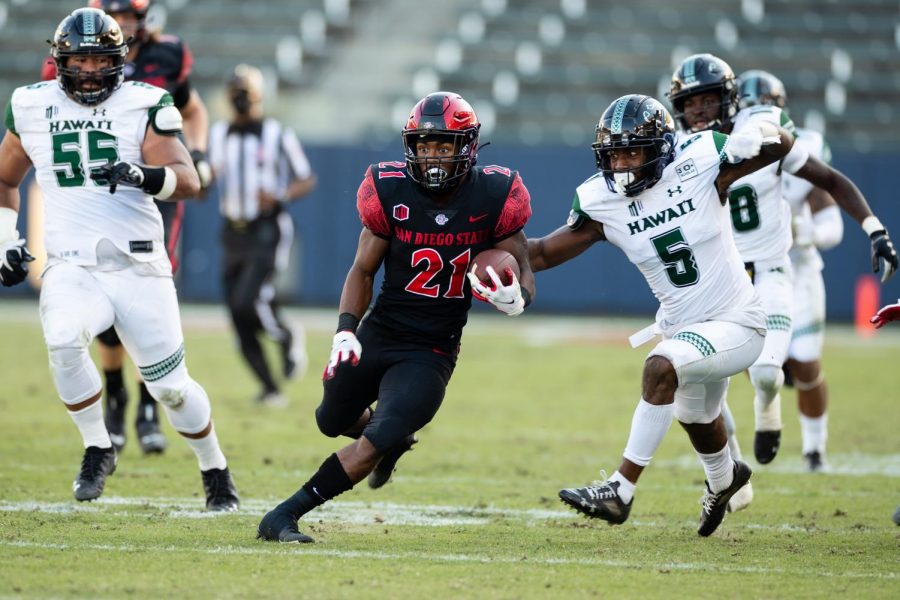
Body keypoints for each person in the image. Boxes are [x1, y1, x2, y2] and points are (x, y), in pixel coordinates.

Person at [256, 91, 535, 542]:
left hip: (432, 347)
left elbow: (523, 264)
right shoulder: (389, 189)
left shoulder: (495, 193)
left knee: (376, 439)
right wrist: (346, 331)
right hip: (381, 329)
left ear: (467, 146)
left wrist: (517, 298)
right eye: (424, 146)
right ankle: (394, 437)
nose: (433, 157)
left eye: (443, 146)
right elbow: (362, 268)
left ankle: (285, 514)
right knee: (331, 419)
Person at [0, 7, 238, 510]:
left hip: (139, 267)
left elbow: (189, 182)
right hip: (70, 264)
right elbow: (5, 179)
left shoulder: (146, 102)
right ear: (59, 60)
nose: (88, 71)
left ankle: (214, 467)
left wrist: (141, 175)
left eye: (98, 59)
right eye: (79, 60)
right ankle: (97, 445)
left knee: (171, 389)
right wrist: (4, 238)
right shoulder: (29, 105)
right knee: (63, 341)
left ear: (120, 59)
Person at [530, 94, 793, 535]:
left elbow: (781, 145)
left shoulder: (701, 163)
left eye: (633, 150)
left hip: (739, 322)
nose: (623, 163)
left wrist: (762, 136)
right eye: (614, 153)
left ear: (660, 148)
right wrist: (485, 256)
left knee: (660, 368)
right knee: (697, 418)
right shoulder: (602, 202)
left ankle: (620, 490)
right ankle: (726, 478)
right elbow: (537, 253)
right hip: (687, 329)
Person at [667, 54, 897, 480]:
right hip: (721, 280)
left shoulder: (763, 129)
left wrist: (875, 230)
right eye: (689, 103)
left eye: (707, 100)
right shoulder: (679, 151)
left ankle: (769, 411)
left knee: (770, 374)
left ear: (730, 99)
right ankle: (729, 472)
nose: (697, 111)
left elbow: (829, 180)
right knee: (697, 386)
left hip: (772, 267)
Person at [42, 0, 213, 455]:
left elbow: (193, 109)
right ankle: (116, 391)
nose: (121, 25)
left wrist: (196, 155)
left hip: (149, 189)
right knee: (96, 298)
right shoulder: (64, 67)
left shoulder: (166, 56)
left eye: (129, 17)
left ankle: (147, 405)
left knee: (143, 294)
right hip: (92, 197)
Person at [737, 70, 844, 473]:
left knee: (804, 362)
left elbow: (831, 223)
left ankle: (815, 449)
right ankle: (769, 412)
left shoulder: (802, 147)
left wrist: (804, 231)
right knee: (757, 361)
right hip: (751, 271)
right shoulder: (729, 150)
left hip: (796, 272)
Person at [207, 64, 316, 405]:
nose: (241, 101)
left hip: (267, 227)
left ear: (259, 97)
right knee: (238, 314)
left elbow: (305, 178)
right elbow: (208, 175)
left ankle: (285, 335)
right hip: (232, 230)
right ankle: (269, 387)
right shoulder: (218, 134)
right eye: (236, 94)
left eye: (247, 94)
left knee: (248, 299)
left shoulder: (276, 133)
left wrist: (280, 194)